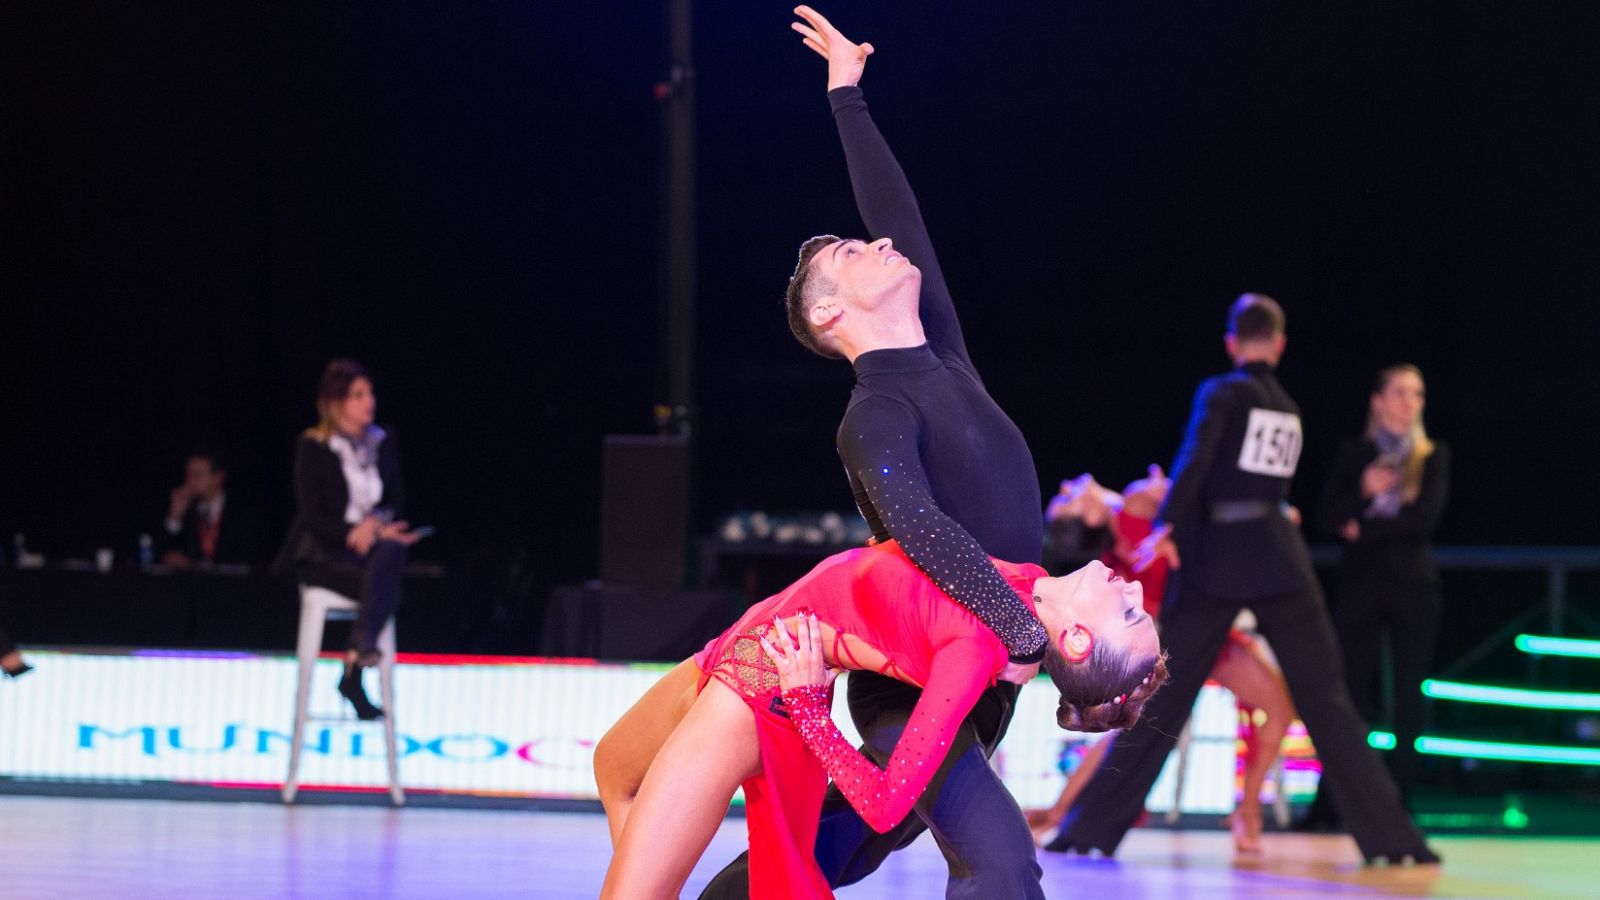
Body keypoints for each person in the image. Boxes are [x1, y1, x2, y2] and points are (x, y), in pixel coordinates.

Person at [698, 8, 1059, 897]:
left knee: (857, 839)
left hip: (985, 671)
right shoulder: (875, 413)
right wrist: (1018, 626)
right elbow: (922, 529)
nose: (885, 244)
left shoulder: (943, 355)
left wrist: (847, 97)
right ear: (830, 318)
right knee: (1002, 865)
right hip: (913, 676)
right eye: (857, 254)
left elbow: (900, 211)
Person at [1046, 294, 1440, 865]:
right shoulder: (1289, 407)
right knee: (1327, 701)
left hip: (1218, 563)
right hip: (1283, 560)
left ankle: (1088, 832)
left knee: (1163, 694)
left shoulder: (1223, 392)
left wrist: (1170, 524)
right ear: (1279, 345)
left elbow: (1195, 459)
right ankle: (1397, 841)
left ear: (1232, 343)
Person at [597, 545, 1166, 899]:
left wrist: (810, 712)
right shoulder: (1024, 587)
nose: (1135, 588)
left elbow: (884, 806)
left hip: (763, 674)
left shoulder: (975, 651)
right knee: (614, 767)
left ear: (1076, 638)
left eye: (1129, 612)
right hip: (741, 636)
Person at [1028, 466, 1295, 853]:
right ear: (1088, 517)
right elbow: (1203, 499)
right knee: (1125, 730)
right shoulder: (1132, 507)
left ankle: (1058, 812)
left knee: (1276, 710)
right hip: (1184, 638)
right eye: (1067, 498)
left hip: (1205, 632)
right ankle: (1248, 810)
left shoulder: (1115, 545)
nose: (1068, 483)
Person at [1304, 364, 1450, 822]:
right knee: (1348, 693)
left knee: (1409, 693)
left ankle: (1399, 802)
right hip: (1360, 585)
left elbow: (1422, 521)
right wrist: (1364, 492)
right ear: (1378, 400)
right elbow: (1328, 516)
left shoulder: (1432, 456)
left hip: (1413, 586)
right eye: (1401, 392)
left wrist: (1360, 529)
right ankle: (1335, 801)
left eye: (1418, 394)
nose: (1411, 402)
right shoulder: (1355, 453)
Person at [272, 359, 423, 719]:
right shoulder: (314, 446)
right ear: (336, 401)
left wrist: (375, 524)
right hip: (326, 556)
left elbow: (395, 502)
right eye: (358, 395)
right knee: (387, 582)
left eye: (370, 393)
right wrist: (353, 532)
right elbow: (313, 516)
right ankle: (355, 667)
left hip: (370, 557)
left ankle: (356, 656)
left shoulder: (383, 442)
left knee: (391, 550)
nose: (369, 401)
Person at [158, 449, 263, 570]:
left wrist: (196, 566)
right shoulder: (188, 510)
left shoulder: (242, 513)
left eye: (197, 474)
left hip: (232, 586)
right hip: (191, 586)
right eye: (188, 474)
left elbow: (248, 561)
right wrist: (175, 516)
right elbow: (163, 553)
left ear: (218, 477)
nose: (190, 480)